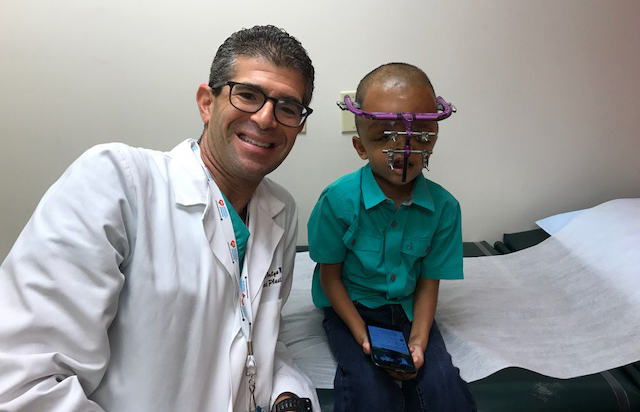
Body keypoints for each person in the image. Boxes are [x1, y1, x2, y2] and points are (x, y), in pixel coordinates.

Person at [0, 25, 319, 412]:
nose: (267, 118)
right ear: (206, 103)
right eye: (248, 95)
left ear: (299, 125)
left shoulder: (280, 211)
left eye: (287, 107)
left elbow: (260, 337)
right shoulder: (118, 181)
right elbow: (23, 384)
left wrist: (286, 392)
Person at [308, 63, 476, 411]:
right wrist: (361, 335)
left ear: (434, 135)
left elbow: (429, 281)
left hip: (409, 308)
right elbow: (330, 277)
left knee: (442, 388)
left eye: (420, 135)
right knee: (368, 390)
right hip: (350, 307)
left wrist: (419, 337)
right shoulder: (336, 201)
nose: (404, 149)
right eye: (385, 135)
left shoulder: (444, 208)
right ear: (359, 146)